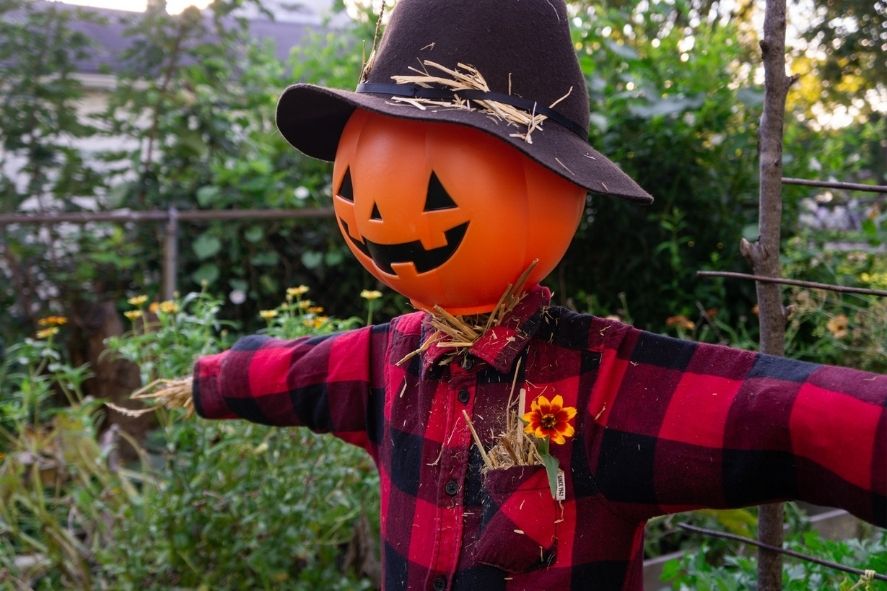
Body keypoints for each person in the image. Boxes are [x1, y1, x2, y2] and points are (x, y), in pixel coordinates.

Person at [189, 1, 887, 589]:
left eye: (434, 188)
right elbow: (296, 373)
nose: (374, 215)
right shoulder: (390, 363)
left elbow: (785, 416)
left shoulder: (605, 388)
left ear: (554, 183)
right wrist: (206, 380)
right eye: (352, 183)